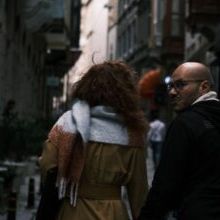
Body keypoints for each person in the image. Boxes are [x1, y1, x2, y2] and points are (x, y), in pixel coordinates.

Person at [138, 62, 220, 220]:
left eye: (180, 85)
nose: (172, 92)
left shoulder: (185, 123)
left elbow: (164, 187)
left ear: (204, 87)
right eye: (170, 86)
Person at [37, 61, 149, 220]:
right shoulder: (133, 133)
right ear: (127, 93)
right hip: (114, 213)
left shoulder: (68, 122)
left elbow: (47, 165)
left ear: (87, 87)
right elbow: (139, 192)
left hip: (73, 209)